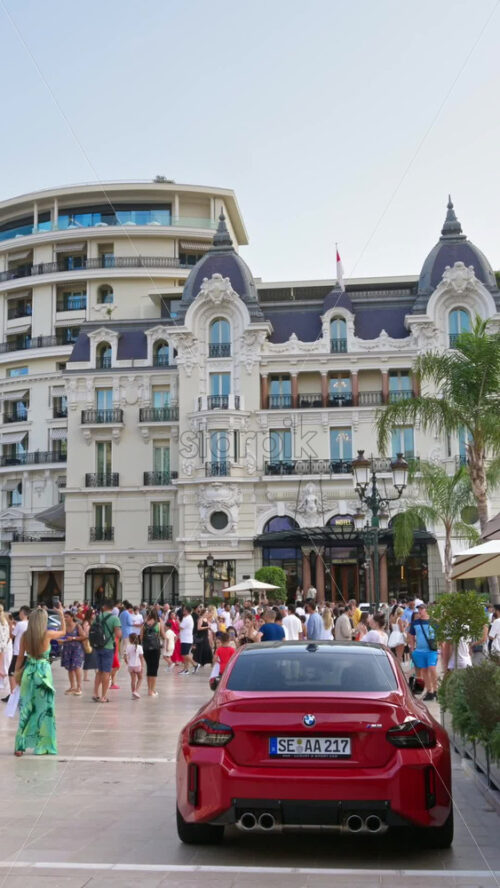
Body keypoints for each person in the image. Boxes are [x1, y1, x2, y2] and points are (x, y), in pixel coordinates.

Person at [14, 603, 66, 756]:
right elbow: (63, 632)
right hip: (43, 673)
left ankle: (20, 746)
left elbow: (19, 659)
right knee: (46, 710)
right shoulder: (47, 634)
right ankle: (44, 745)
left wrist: (16, 675)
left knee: (26, 710)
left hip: (29, 671)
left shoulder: (25, 636)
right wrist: (61, 614)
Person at [92, 599, 122, 704]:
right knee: (106, 672)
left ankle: (95, 693)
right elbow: (118, 635)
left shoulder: (97, 617)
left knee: (99, 671)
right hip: (108, 647)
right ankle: (103, 696)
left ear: (104, 607)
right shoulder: (115, 619)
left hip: (97, 647)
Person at [408, 603, 438, 701]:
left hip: (431, 651)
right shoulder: (415, 623)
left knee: (432, 669)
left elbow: (439, 635)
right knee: (424, 671)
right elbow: (411, 635)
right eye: (419, 609)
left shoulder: (434, 622)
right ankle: (429, 691)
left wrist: (440, 645)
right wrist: (412, 648)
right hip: (420, 651)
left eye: (422, 609)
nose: (420, 611)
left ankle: (436, 690)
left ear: (427, 610)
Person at [59, 611, 86, 695]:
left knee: (77, 667)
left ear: (71, 617)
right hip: (67, 649)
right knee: (70, 668)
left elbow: (84, 636)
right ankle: (72, 687)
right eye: (64, 617)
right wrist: (61, 641)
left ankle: (79, 687)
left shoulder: (77, 626)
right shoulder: (64, 627)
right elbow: (60, 637)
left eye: (66, 616)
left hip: (77, 649)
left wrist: (73, 638)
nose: (65, 618)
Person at [6, 606, 30, 701]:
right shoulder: (29, 624)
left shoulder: (20, 624)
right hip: (26, 653)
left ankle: (13, 694)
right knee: (23, 674)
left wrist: (11, 625)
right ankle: (22, 694)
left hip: (17, 652)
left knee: (11, 672)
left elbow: (12, 636)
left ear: (22, 613)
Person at [141, 608, 165, 696]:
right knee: (154, 670)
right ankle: (152, 690)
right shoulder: (158, 624)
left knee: (149, 668)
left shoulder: (144, 624)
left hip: (146, 649)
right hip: (155, 649)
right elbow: (163, 635)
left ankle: (149, 689)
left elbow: (141, 637)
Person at [124, 632, 144, 699]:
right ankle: (136, 691)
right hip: (138, 665)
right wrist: (142, 666)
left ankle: (133, 693)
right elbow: (141, 657)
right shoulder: (139, 647)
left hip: (130, 666)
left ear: (130, 640)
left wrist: (127, 662)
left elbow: (125, 657)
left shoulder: (128, 647)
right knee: (140, 678)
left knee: (133, 680)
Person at [179, 606, 196, 675]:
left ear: (188, 611)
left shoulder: (187, 618)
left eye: (185, 610)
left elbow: (180, 627)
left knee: (185, 654)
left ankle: (195, 664)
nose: (183, 611)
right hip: (184, 639)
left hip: (187, 639)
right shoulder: (186, 618)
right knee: (184, 655)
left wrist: (177, 621)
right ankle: (186, 669)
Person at [82, 608, 98, 682]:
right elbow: (86, 632)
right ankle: (85, 676)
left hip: (93, 641)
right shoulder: (86, 622)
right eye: (93, 613)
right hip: (88, 642)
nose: (94, 615)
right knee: (88, 658)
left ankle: (97, 673)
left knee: (95, 657)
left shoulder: (93, 622)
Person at [0, 606, 12, 698]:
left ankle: (2, 682)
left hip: (2, 646)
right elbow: (8, 635)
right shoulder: (4, 622)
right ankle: (2, 683)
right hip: (3, 646)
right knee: (3, 665)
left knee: (2, 666)